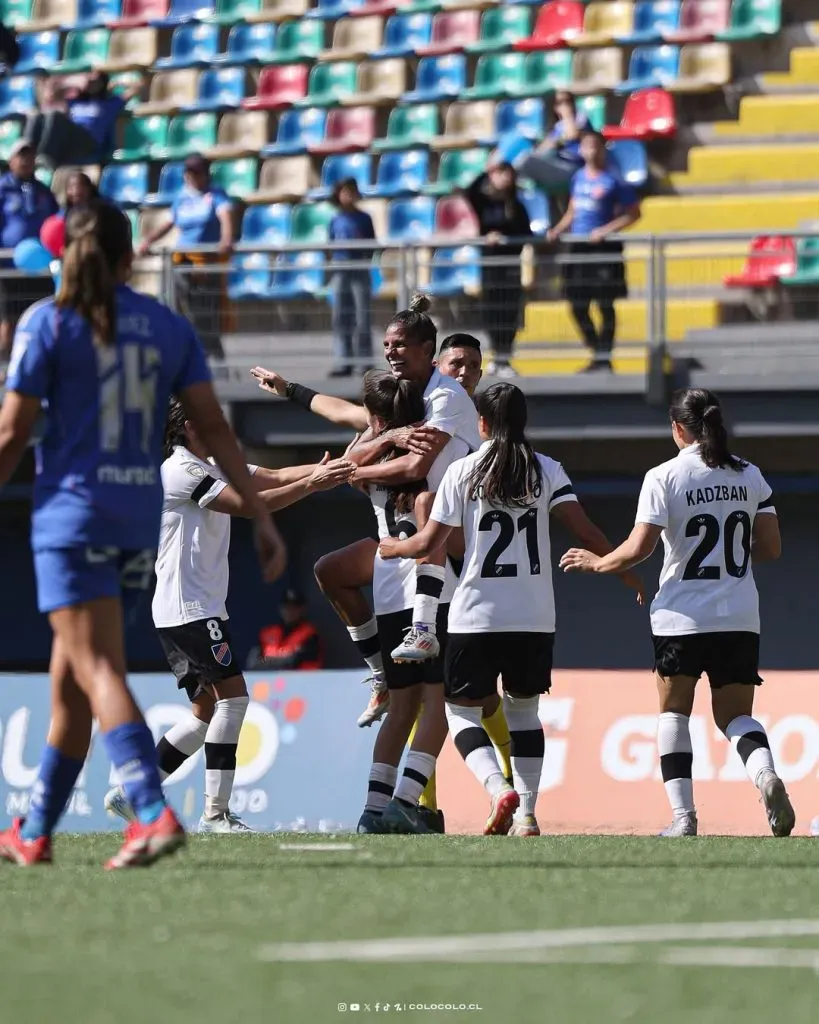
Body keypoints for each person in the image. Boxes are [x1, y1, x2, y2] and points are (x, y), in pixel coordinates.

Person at [0, 201, 278, 868]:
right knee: (69, 680)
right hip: (132, 518)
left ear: (68, 256)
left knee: (94, 667)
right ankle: (35, 830)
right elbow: (213, 428)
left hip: (72, 516)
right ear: (132, 257)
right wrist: (263, 516)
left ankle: (151, 810)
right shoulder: (166, 327)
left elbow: (12, 432)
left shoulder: (49, 322)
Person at [251, 330, 513, 829]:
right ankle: (416, 802)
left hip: (398, 582)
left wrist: (366, 452)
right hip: (432, 584)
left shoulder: (423, 419)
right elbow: (410, 465)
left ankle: (379, 808)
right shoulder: (416, 449)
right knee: (446, 704)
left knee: (419, 705)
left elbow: (362, 456)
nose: (462, 375)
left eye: (471, 367)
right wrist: (296, 393)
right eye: (455, 365)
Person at [381, 382, 641, 836]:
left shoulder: (462, 472)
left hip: (475, 616)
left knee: (461, 713)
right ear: (523, 422)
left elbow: (428, 543)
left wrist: (393, 546)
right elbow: (587, 532)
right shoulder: (547, 470)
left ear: (481, 423)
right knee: (524, 715)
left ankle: (498, 788)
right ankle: (527, 815)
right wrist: (624, 573)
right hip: (534, 618)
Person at [105, 401, 350, 832]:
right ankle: (215, 815)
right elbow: (244, 504)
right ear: (187, 427)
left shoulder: (213, 463)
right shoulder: (183, 470)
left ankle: (134, 792)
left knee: (204, 710)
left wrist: (327, 471)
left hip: (191, 608)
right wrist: (314, 484)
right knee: (234, 700)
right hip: (189, 608)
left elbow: (272, 478)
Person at [560, 388, 794, 839]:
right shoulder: (750, 475)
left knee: (673, 714)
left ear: (678, 429)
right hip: (739, 615)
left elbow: (639, 548)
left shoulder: (664, 476)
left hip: (681, 616)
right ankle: (765, 775)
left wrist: (598, 562)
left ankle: (684, 819)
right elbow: (772, 547)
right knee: (735, 717)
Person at [548, 131, 641, 374]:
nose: (590, 150)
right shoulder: (578, 177)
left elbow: (633, 214)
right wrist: (558, 229)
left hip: (603, 247)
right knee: (577, 303)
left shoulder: (614, 179)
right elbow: (573, 210)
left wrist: (605, 230)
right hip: (578, 247)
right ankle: (596, 348)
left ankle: (604, 356)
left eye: (594, 145)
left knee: (605, 303)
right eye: (586, 145)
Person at [137, 154, 234, 358]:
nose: (191, 177)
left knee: (205, 308)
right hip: (182, 260)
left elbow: (225, 218)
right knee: (187, 307)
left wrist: (226, 239)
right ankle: (199, 351)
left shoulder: (216, 195)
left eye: (196, 172)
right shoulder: (182, 197)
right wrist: (148, 240)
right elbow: (169, 223)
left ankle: (211, 351)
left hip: (206, 262)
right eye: (188, 172)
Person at [461, 163, 531, 378]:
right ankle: (495, 356)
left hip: (510, 266)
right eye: (501, 174)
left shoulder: (516, 205)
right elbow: (469, 190)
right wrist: (488, 169)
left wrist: (507, 241)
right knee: (491, 311)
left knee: (509, 312)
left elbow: (525, 234)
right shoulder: (484, 202)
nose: (504, 178)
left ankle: (505, 357)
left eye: (507, 174)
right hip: (490, 266)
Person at [0, 140, 59, 355]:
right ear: (11, 160)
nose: (26, 160)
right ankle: (4, 366)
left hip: (40, 267)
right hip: (8, 266)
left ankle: (40, 361)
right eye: (21, 156)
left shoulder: (43, 191)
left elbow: (55, 223)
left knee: (40, 315)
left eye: (30, 156)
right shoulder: (2, 189)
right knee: (10, 318)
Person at [25, 71, 139, 168]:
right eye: (89, 80)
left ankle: (46, 156)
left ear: (102, 83)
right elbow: (50, 95)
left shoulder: (110, 103)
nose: (91, 83)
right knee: (36, 115)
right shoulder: (75, 101)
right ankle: (26, 154)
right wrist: (74, 82)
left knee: (55, 115)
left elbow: (137, 87)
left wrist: (115, 83)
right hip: (70, 139)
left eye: (95, 81)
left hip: (88, 143)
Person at [328, 178, 376, 378]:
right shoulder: (335, 220)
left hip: (359, 270)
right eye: (344, 191)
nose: (348, 195)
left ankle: (365, 360)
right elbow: (330, 245)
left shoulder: (364, 218)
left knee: (362, 316)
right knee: (340, 317)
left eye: (352, 191)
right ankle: (344, 361)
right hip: (340, 271)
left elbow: (372, 244)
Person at [248, 588, 324, 671]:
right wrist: (281, 660)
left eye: (294, 608)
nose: (290, 611)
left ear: (302, 609)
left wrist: (268, 661)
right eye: (286, 607)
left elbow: (295, 661)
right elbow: (253, 662)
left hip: (301, 681)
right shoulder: (267, 633)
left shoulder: (310, 634)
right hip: (270, 681)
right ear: (280, 608)